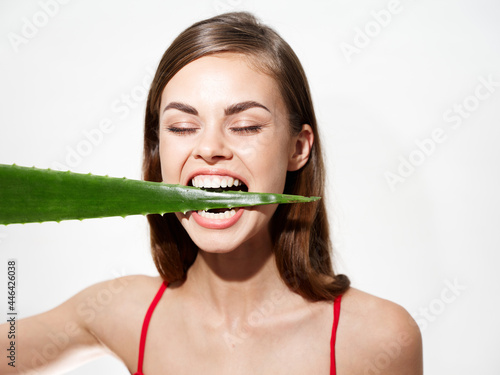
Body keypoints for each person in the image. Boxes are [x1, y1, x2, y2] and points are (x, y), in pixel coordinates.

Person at [0, 11, 422, 374]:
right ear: (159, 150)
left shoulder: (377, 338)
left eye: (246, 126)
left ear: (298, 148)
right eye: (182, 128)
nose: (209, 149)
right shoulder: (118, 312)